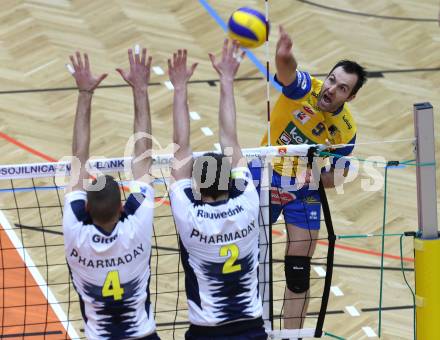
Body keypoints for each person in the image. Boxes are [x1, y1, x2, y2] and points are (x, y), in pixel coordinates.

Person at [255, 26, 367, 330]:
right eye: (332, 80)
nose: (331, 89)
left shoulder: (345, 130)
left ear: (351, 97)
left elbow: (340, 175)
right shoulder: (306, 88)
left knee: (298, 271)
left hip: (302, 189)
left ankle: (291, 337)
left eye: (342, 88)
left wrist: (317, 176)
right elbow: (288, 73)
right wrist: (284, 56)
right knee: (246, 260)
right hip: (264, 172)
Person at [168, 41, 267, 340]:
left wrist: (180, 87)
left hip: (207, 332)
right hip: (252, 328)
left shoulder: (189, 216)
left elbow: (181, 148)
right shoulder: (249, 201)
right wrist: (227, 79)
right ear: (229, 181)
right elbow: (230, 139)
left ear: (196, 186)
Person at [63, 48, 160, 340]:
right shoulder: (137, 226)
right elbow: (143, 156)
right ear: (122, 208)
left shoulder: (75, 234)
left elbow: (78, 158)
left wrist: (85, 93)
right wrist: (140, 89)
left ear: (87, 210)